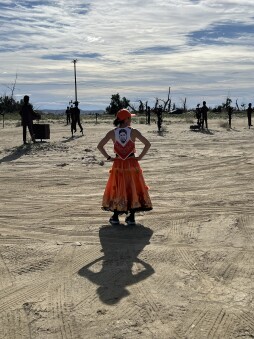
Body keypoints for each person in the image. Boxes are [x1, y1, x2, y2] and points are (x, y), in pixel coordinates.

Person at [97, 108, 153, 225]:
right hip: (132, 163)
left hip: (118, 164)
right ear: (126, 119)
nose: (131, 120)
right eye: (130, 118)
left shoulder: (113, 132)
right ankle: (131, 217)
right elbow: (147, 144)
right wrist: (140, 157)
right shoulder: (133, 132)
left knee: (118, 188)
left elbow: (100, 146)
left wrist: (109, 157)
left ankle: (116, 216)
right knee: (132, 187)